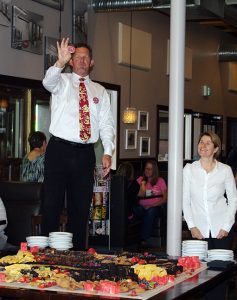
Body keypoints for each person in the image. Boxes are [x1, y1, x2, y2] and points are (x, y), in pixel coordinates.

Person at [41, 38, 115, 250]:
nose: (82, 61)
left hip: (85, 155)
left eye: (86, 58)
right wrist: (59, 63)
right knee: (51, 205)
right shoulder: (61, 81)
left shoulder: (100, 91)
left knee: (80, 209)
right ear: (71, 62)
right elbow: (47, 82)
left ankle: (77, 257)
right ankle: (46, 256)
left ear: (92, 62)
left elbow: (107, 124)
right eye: (77, 57)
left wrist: (108, 151)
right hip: (59, 151)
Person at [183, 131, 237, 250]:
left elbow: (233, 200)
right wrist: (192, 226)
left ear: (215, 148)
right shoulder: (189, 169)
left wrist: (226, 226)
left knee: (220, 267)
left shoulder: (225, 170)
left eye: (208, 143)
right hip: (198, 230)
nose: (203, 145)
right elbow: (185, 201)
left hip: (221, 229)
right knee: (199, 267)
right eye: (201, 142)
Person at [135, 160, 167, 246]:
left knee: (151, 211)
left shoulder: (160, 181)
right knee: (135, 209)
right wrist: (142, 184)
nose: (147, 171)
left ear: (154, 170)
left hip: (156, 207)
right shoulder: (140, 180)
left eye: (150, 169)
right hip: (142, 207)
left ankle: (144, 239)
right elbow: (138, 195)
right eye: (146, 168)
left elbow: (165, 199)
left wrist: (151, 205)